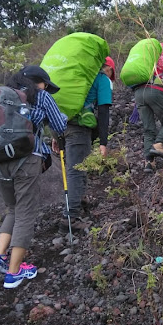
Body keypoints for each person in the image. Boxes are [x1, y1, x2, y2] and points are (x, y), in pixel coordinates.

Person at [0, 66, 67, 289]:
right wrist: (63, 117)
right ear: (36, 82)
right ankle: (13, 273)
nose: (46, 88)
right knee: (25, 213)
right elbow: (59, 125)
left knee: (12, 209)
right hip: (27, 159)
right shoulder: (41, 96)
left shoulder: (1, 96)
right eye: (45, 84)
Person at [53, 57, 114, 230]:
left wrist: (55, 135)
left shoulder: (76, 76)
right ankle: (70, 217)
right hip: (78, 127)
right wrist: (103, 142)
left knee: (75, 166)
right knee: (76, 170)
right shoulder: (101, 79)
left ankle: (79, 199)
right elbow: (103, 112)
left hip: (60, 124)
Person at [131, 43, 163, 173]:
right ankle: (158, 144)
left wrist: (135, 107)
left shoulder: (145, 61)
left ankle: (149, 163)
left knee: (148, 129)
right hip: (155, 91)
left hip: (139, 95)